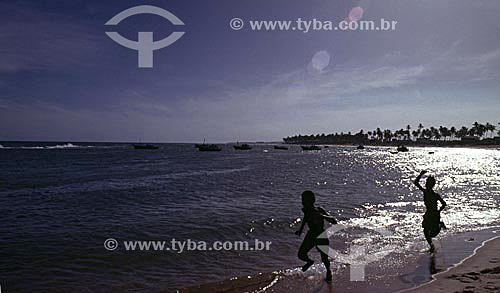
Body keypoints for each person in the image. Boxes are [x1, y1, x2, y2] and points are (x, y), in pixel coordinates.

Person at [295, 190, 337, 282]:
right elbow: (305, 220)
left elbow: (334, 221)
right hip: (311, 235)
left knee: (324, 258)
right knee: (301, 254)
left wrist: (322, 216)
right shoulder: (307, 211)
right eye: (302, 200)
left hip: (321, 235)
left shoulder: (319, 210)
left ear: (311, 201)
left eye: (304, 200)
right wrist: (300, 230)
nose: (302, 202)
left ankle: (328, 272)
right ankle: (310, 261)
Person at [413, 170, 447, 252]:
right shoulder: (425, 192)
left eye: (428, 183)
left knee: (433, 233)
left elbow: (444, 204)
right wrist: (420, 174)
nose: (426, 184)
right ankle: (431, 246)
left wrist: (438, 211)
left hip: (434, 214)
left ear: (431, 185)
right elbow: (416, 183)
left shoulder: (435, 195)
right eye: (426, 183)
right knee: (426, 230)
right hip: (429, 214)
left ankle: (440, 225)